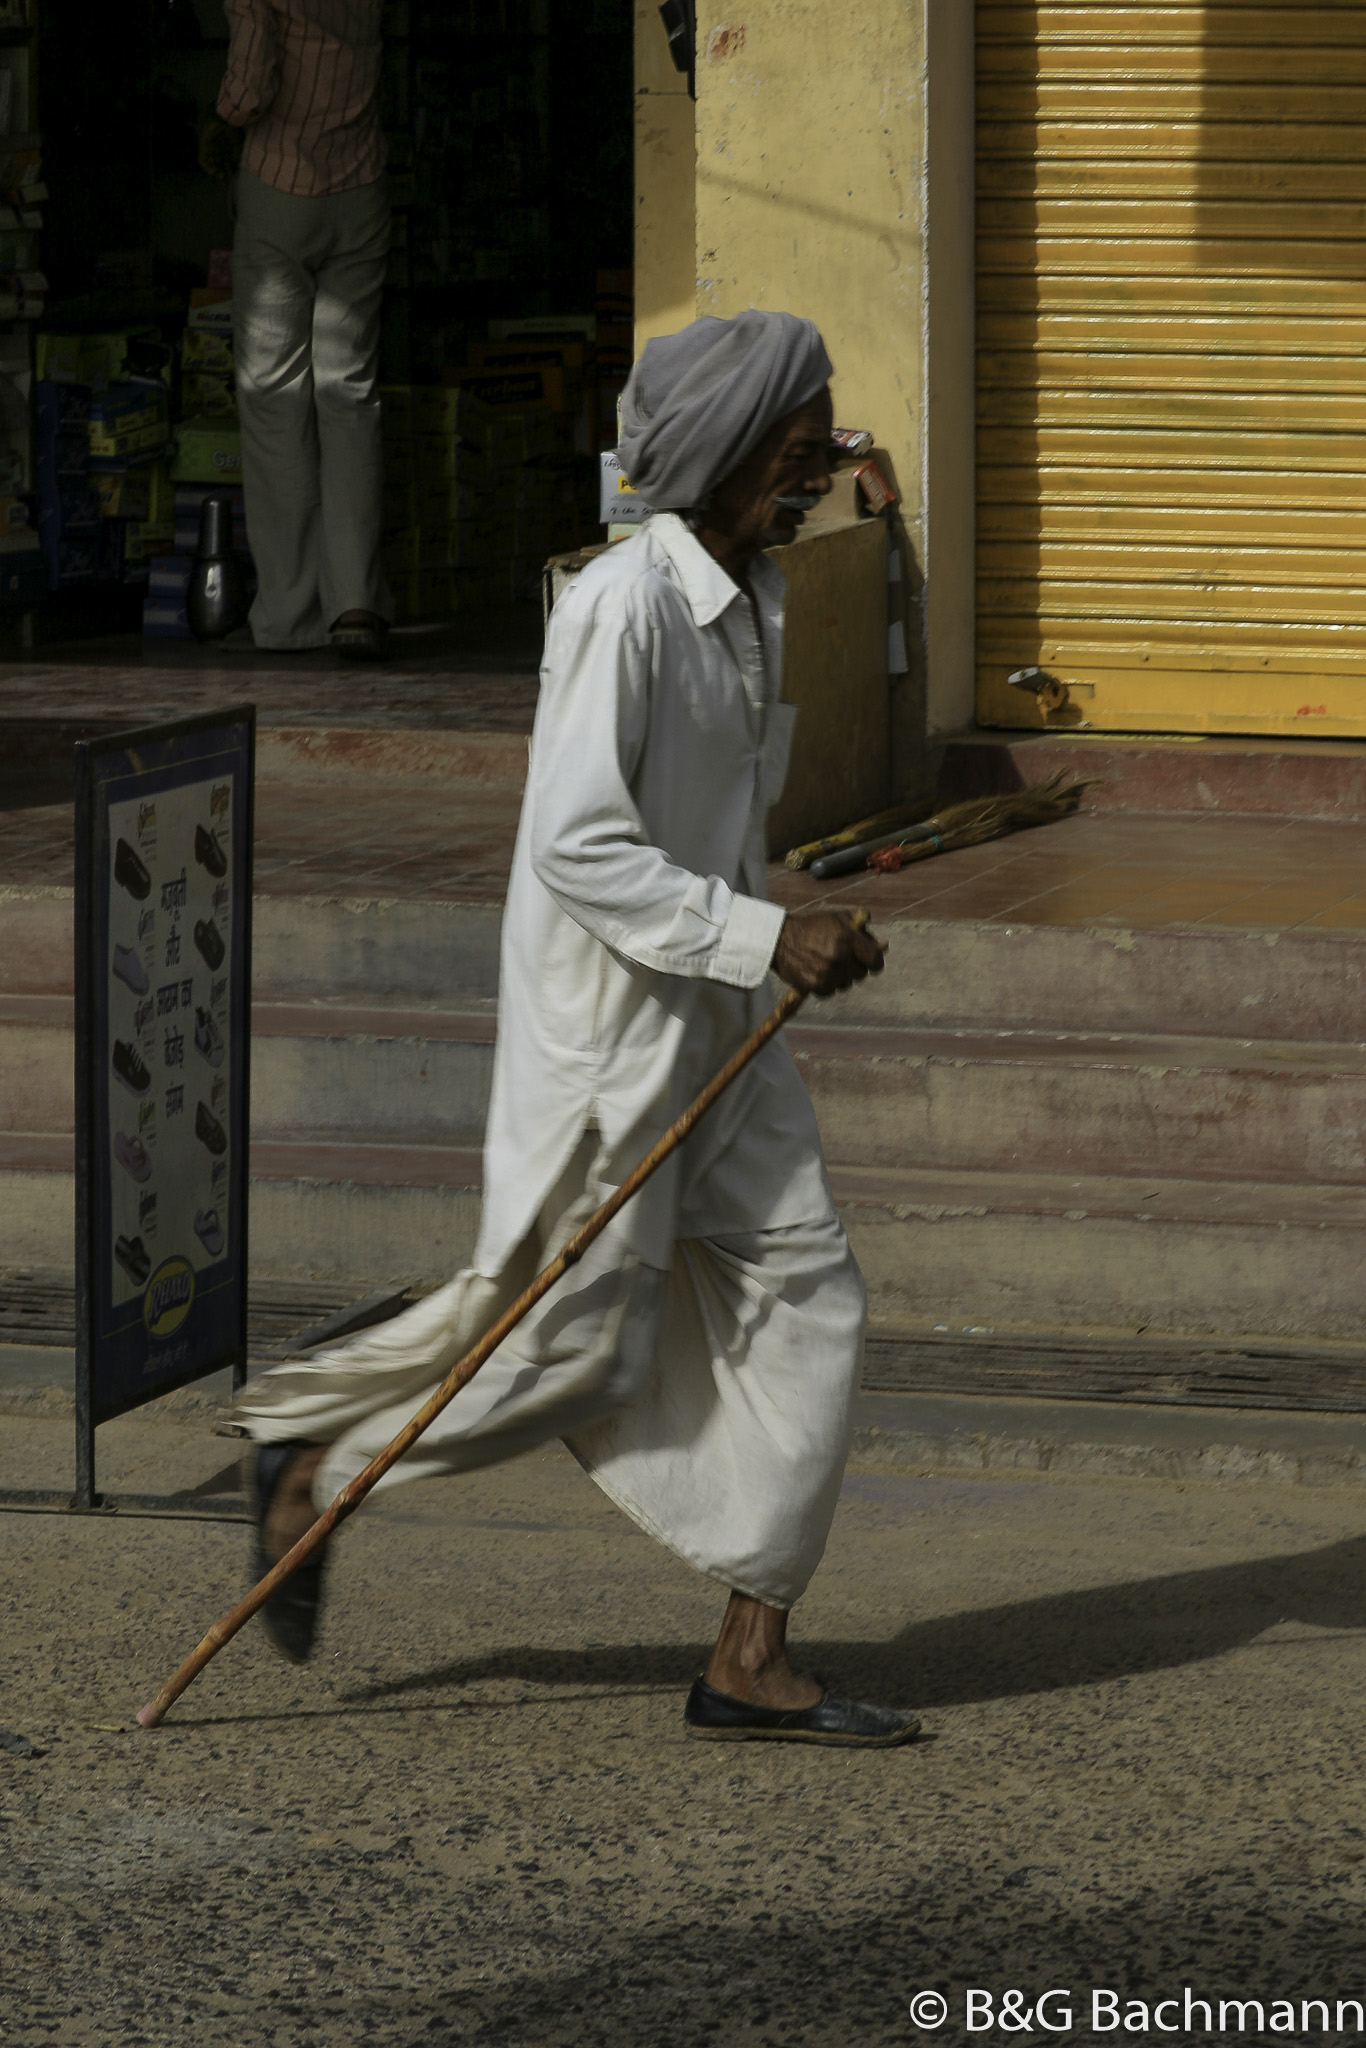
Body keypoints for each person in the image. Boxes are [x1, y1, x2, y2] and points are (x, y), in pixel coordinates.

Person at [235, 310, 920, 1748]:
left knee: (810, 1290)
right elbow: (577, 847)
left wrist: (775, 930)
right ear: (729, 449)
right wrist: (765, 934)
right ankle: (321, 1447)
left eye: (826, 444)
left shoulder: (759, 595)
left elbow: (718, 824)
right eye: (802, 447)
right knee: (575, 1353)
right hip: (611, 1044)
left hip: (722, 1018)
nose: (819, 472)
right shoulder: (622, 606)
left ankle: (749, 1654)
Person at [199, 0, 391, 660]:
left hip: (281, 189)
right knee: (349, 395)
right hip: (360, 187)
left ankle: (291, 612)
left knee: (274, 398)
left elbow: (251, 84)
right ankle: (355, 603)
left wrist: (219, 121)